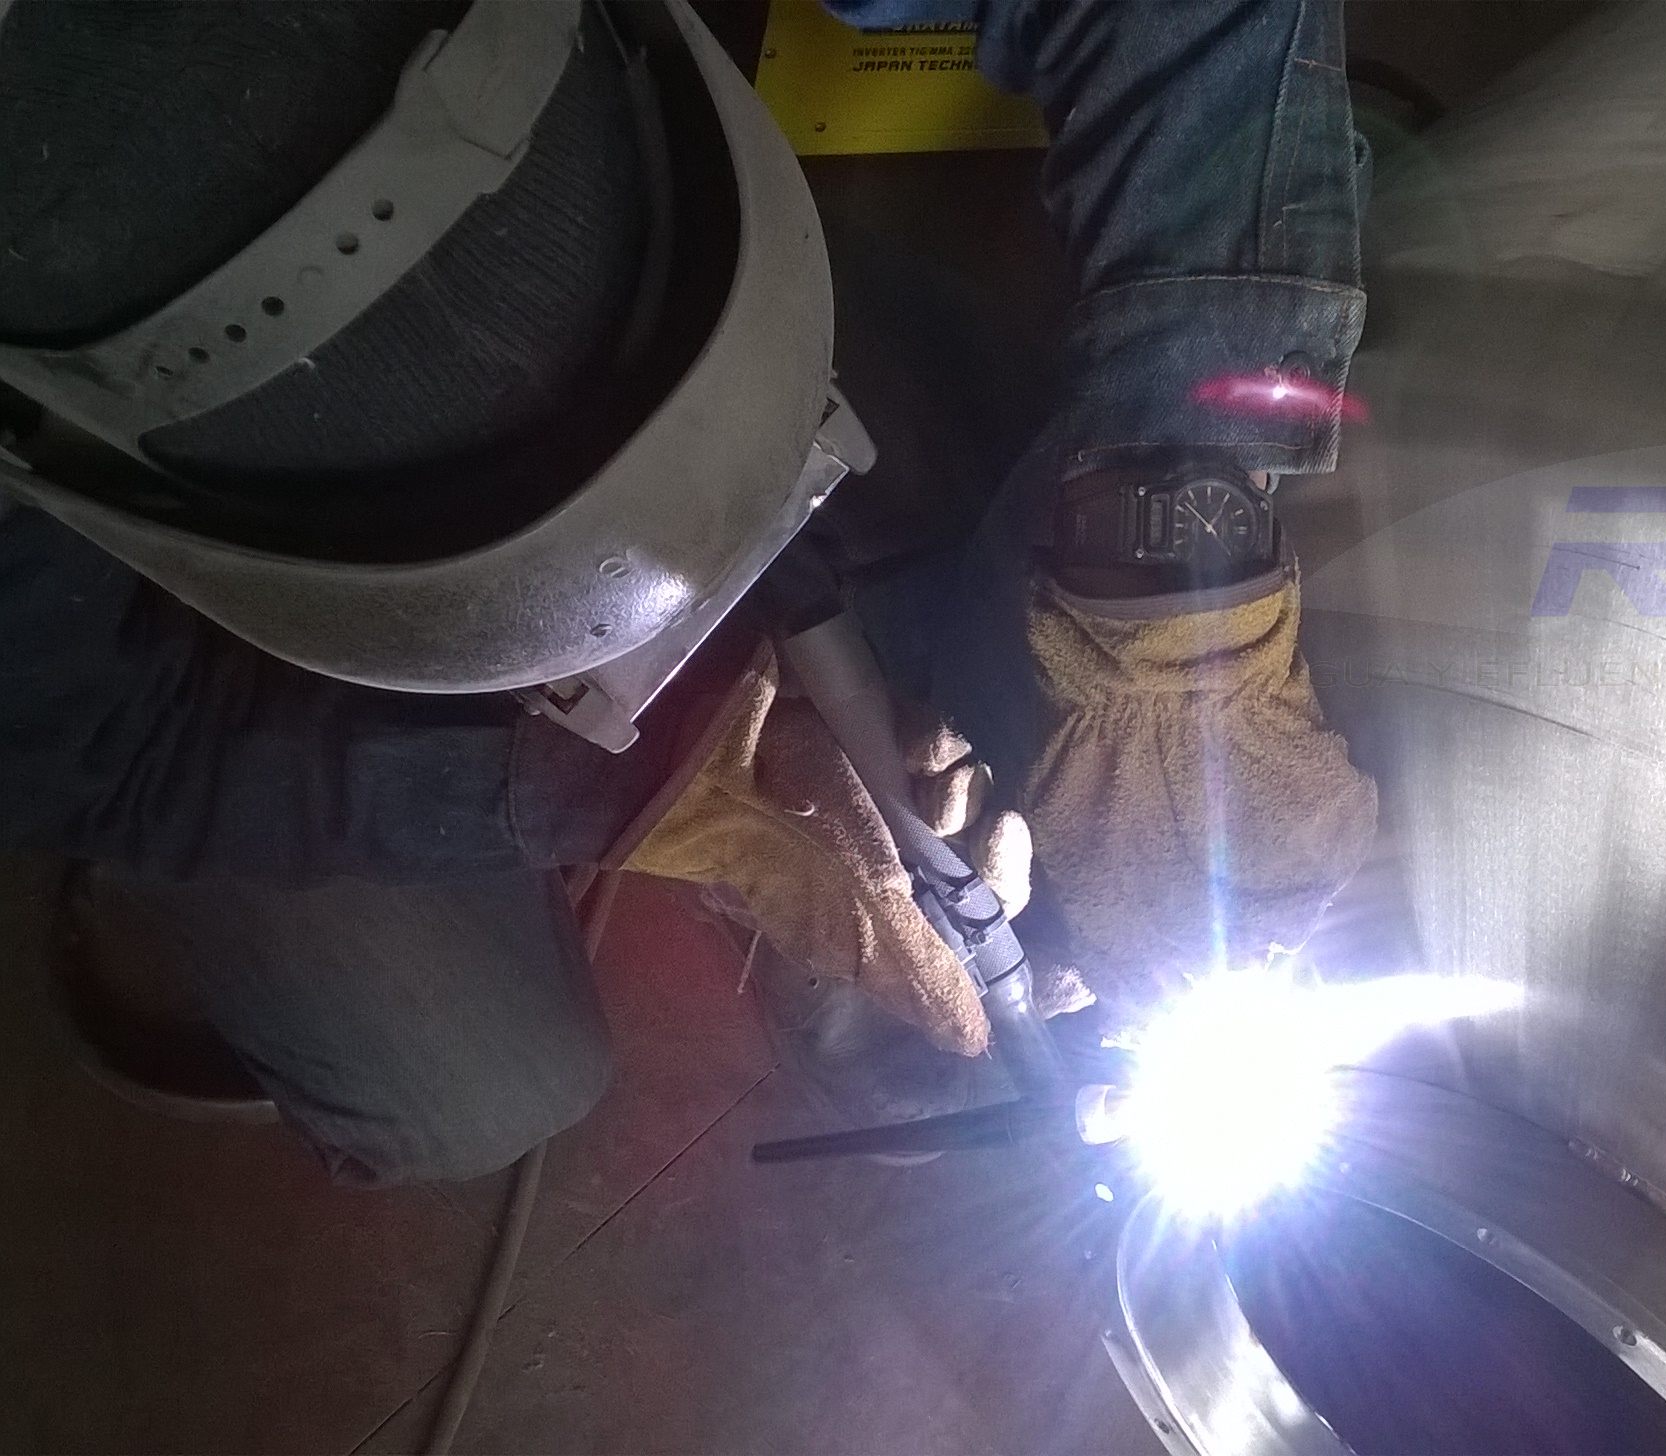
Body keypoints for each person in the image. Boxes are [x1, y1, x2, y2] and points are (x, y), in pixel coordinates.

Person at [0, 0, 1377, 1184]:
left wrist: (1171, 564)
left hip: (703, 309)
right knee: (473, 1086)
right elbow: (70, 734)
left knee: (1050, 662)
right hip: (219, 612)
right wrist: (654, 786)